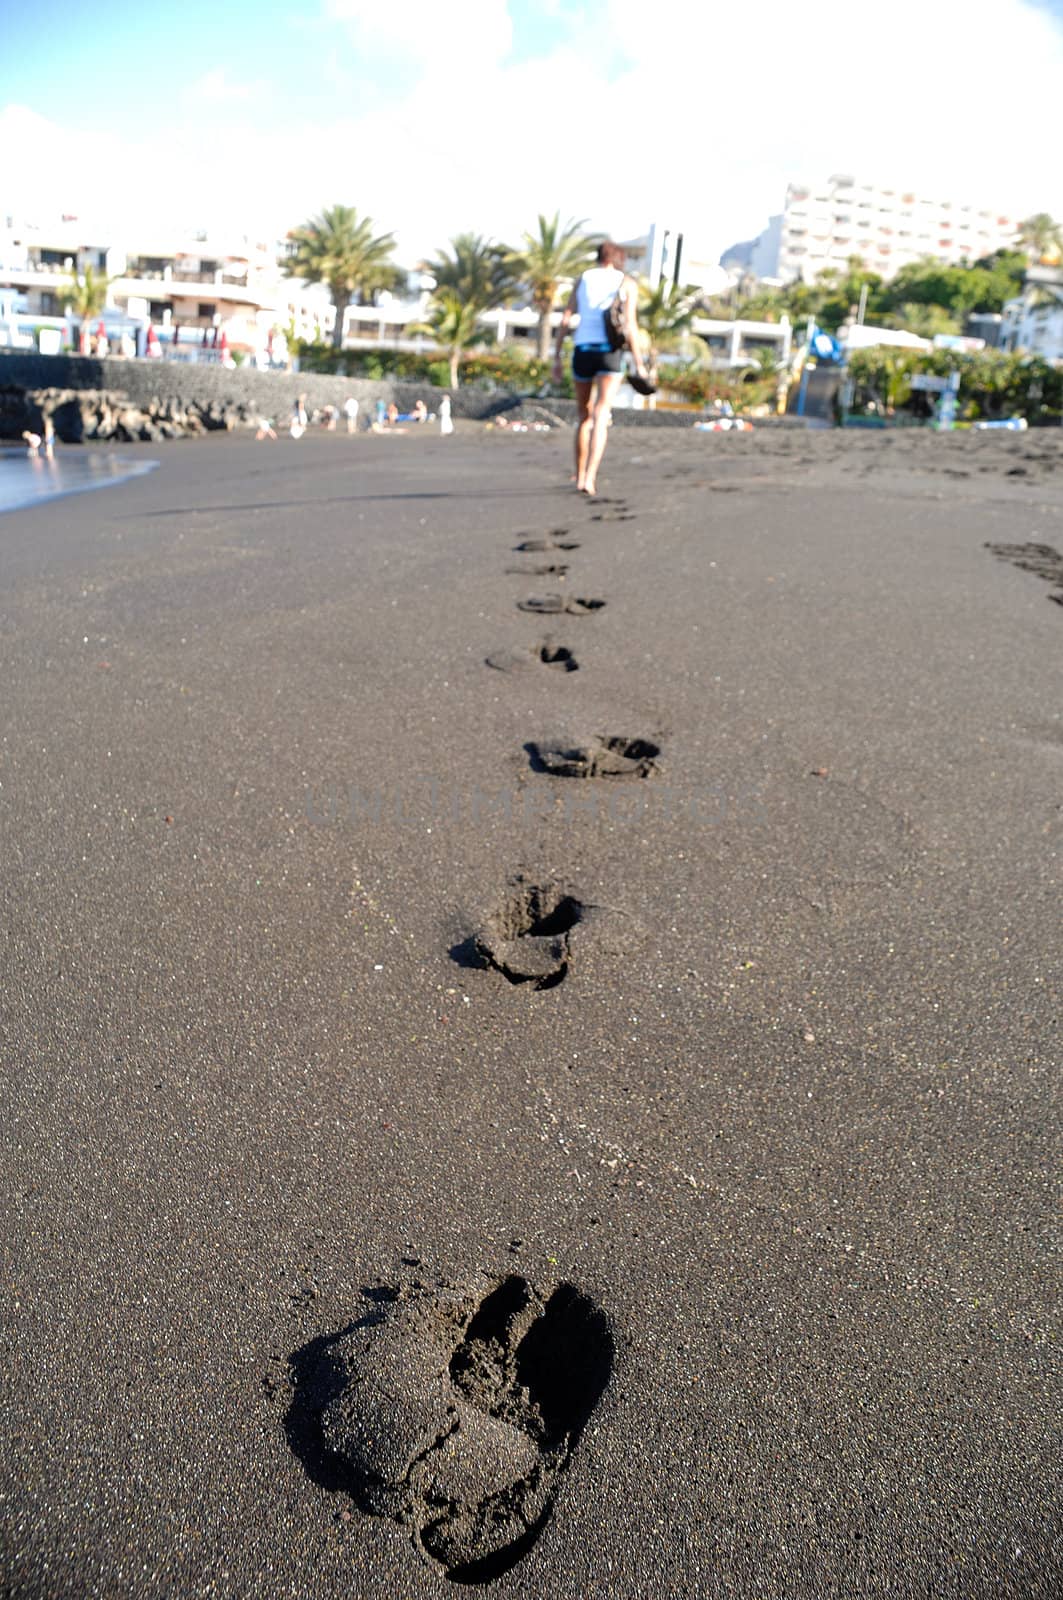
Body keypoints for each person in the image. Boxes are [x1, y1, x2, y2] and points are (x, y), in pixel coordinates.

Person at [552, 240, 647, 496]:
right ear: (617, 259)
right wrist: (639, 363)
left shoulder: (582, 279)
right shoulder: (625, 283)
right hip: (609, 352)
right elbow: (630, 325)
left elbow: (565, 319)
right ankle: (590, 478)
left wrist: (557, 356)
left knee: (583, 418)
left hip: (583, 349)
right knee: (601, 414)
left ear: (599, 257)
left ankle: (579, 475)